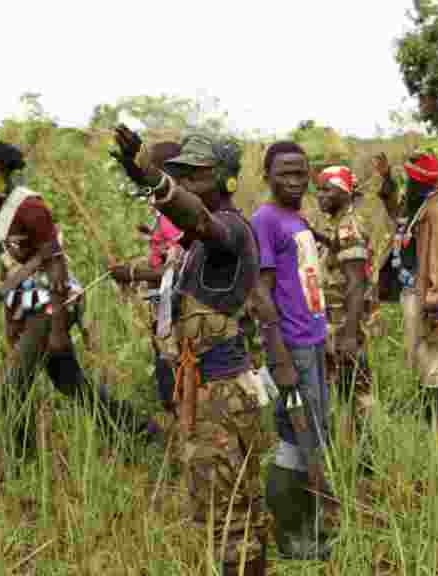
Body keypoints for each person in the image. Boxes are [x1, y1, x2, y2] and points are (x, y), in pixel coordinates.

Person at [112, 126, 266, 575]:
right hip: (209, 390)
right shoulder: (198, 243)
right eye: (181, 175)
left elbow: (199, 219)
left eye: (196, 176)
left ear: (225, 179)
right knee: (238, 510)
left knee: (230, 518)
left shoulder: (230, 230)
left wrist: (156, 183)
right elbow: (172, 259)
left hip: (220, 395)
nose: (188, 183)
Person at [0, 136, 158, 460]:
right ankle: (139, 431)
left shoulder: (29, 206)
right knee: (71, 383)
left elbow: (56, 264)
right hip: (27, 305)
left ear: (5, 172)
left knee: (12, 392)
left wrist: (58, 330)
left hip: (49, 306)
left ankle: (22, 463)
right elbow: (9, 270)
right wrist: (11, 321)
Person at [249, 141, 333, 560]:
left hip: (313, 340)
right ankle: (290, 535)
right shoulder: (264, 219)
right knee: (298, 438)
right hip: (292, 346)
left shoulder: (295, 217)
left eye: (301, 172)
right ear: (267, 175)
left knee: (311, 435)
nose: (295, 181)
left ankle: (308, 529)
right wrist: (278, 355)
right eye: (285, 173)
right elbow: (261, 294)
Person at [373, 150, 438, 432]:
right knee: (420, 355)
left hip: (427, 298)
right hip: (412, 292)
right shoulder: (416, 207)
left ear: (420, 184)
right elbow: (395, 212)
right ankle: (428, 416)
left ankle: (436, 421)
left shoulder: (436, 212)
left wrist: (436, 303)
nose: (407, 186)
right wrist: (386, 178)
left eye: (410, 181)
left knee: (433, 358)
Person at [108, 140, 185, 414]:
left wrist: (132, 273)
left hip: (176, 307)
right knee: (170, 371)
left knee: (174, 376)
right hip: (167, 305)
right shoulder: (165, 210)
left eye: (145, 171)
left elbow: (177, 269)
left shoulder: (174, 214)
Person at [315, 165, 376, 466]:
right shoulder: (337, 225)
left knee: (356, 391)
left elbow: (355, 283)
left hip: (345, 324)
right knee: (345, 390)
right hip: (336, 322)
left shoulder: (348, 226)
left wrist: (350, 334)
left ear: (345, 192)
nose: (320, 195)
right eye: (319, 189)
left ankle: (366, 460)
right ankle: (353, 452)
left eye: (328, 189)